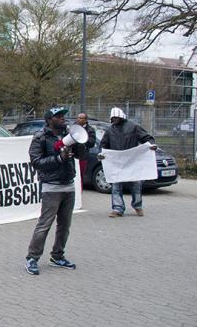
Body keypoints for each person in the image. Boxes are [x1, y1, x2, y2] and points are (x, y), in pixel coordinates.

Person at [25, 107, 84, 275]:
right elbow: (36, 162)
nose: (62, 119)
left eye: (63, 116)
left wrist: (79, 145)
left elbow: (82, 156)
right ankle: (32, 258)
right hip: (51, 186)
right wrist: (59, 158)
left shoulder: (68, 134)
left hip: (68, 185)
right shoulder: (41, 137)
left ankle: (57, 256)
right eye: (58, 116)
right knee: (44, 225)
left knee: (64, 226)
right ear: (49, 120)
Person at [98, 107, 157, 217]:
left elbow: (146, 137)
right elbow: (104, 144)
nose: (114, 120)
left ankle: (138, 206)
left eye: (116, 118)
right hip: (116, 163)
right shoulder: (110, 130)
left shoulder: (133, 127)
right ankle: (118, 208)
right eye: (113, 118)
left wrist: (151, 145)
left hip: (131, 162)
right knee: (116, 186)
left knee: (136, 185)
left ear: (121, 117)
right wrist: (101, 153)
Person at [75, 112, 97, 185]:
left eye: (81, 118)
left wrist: (82, 140)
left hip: (82, 157)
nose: (79, 119)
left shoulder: (90, 130)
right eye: (78, 117)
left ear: (85, 120)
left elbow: (92, 142)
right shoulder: (73, 127)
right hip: (72, 156)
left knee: (80, 176)